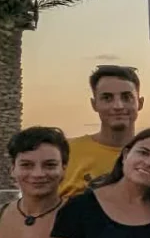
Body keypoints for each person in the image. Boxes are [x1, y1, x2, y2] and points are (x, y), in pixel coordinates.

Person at [59, 65, 144, 196]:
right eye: (107, 98)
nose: (118, 106)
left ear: (140, 103)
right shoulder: (68, 152)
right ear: (94, 104)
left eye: (127, 97)